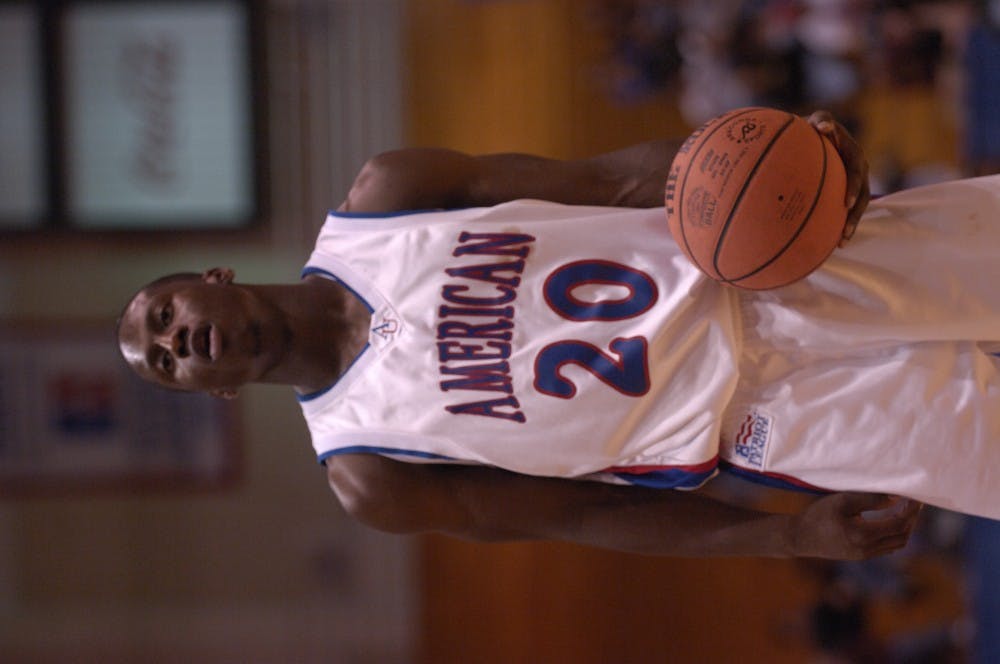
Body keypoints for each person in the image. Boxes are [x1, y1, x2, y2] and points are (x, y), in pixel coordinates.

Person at [117, 112, 945, 560]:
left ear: (211, 278)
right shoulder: (370, 473)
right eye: (164, 361)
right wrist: (784, 535)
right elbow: (582, 516)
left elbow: (609, 179)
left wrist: (793, 163)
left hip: (783, 266)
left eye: (165, 317)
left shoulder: (388, 198)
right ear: (216, 391)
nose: (176, 343)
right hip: (775, 418)